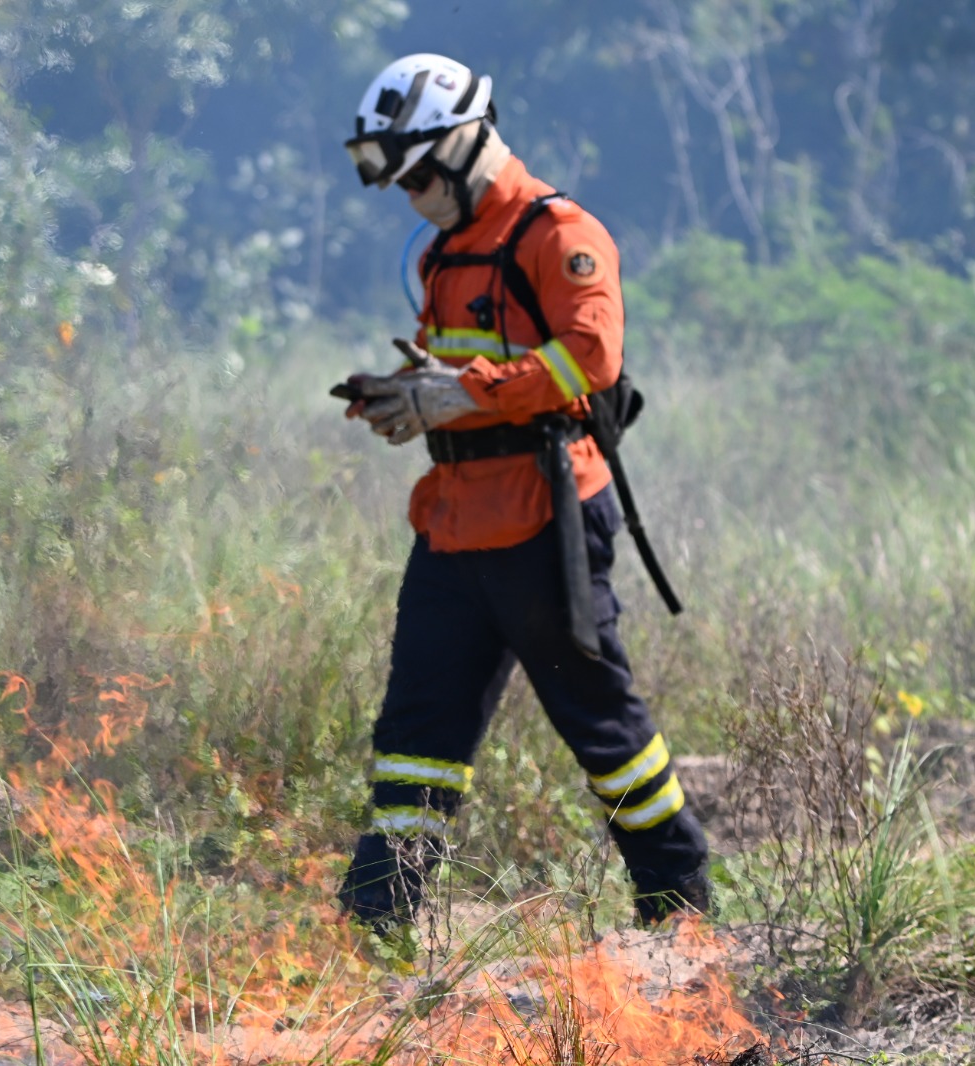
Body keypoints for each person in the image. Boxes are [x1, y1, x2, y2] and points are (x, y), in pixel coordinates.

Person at [335, 53, 711, 932]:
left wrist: (465, 394)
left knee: (601, 726)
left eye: (419, 177)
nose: (412, 198)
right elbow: (460, 374)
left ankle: (679, 909)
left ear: (465, 143)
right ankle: (379, 922)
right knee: (416, 732)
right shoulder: (443, 254)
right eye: (400, 184)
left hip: (546, 520)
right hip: (454, 524)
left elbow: (591, 358)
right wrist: (407, 400)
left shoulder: (559, 234)